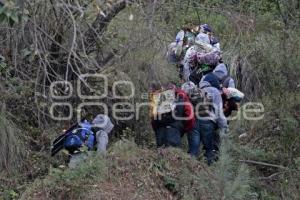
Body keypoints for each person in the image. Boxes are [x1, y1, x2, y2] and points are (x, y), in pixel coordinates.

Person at [195, 76, 228, 165]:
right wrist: (224, 127)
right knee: (209, 149)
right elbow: (219, 112)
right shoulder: (214, 91)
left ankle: (194, 169)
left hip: (194, 123)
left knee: (196, 149)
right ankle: (211, 170)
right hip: (208, 122)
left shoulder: (195, 91)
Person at [150, 83, 191, 148]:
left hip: (160, 129)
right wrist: (183, 128)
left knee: (161, 151)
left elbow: (153, 117)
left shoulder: (158, 98)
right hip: (174, 129)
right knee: (173, 152)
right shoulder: (180, 97)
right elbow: (188, 114)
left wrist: (157, 128)